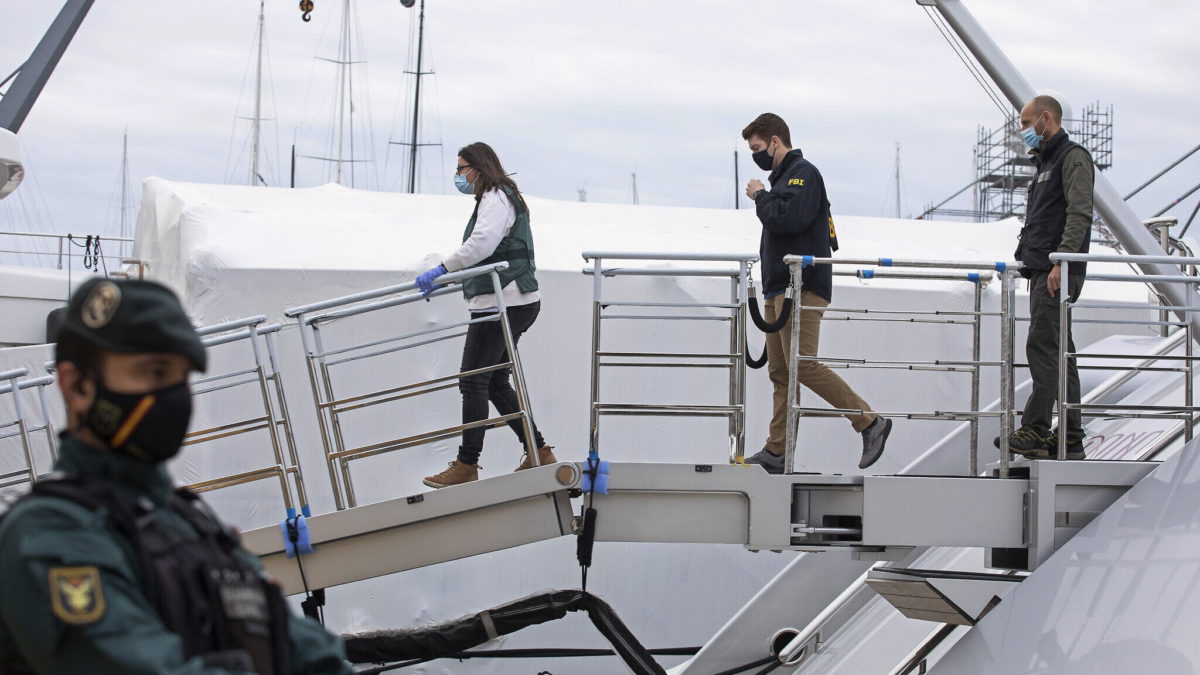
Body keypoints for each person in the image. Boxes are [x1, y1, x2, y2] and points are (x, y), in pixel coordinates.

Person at [0, 278, 350, 674]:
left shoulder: (190, 523)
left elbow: (298, 645)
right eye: (152, 372)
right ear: (77, 386)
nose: (172, 395)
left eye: (179, 378)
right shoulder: (50, 535)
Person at [739, 113, 892, 474]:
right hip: (779, 288)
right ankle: (777, 450)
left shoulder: (803, 174)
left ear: (776, 141)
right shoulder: (784, 181)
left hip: (802, 287)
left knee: (802, 365)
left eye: (758, 148)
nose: (756, 156)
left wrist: (760, 196)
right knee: (781, 372)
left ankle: (869, 421)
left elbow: (786, 219)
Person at [415, 142, 556, 488]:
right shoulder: (501, 196)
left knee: (473, 379)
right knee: (492, 381)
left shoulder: (495, 196)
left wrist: (443, 269)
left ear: (479, 167)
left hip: (503, 302)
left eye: (462, 169)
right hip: (514, 300)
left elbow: (482, 243)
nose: (458, 176)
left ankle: (466, 465)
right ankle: (538, 451)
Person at [998, 95, 1094, 460]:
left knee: (1042, 346)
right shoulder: (1047, 163)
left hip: (1056, 271)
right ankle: (1070, 435)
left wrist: (1061, 262)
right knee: (1060, 350)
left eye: (1026, 123)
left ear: (1046, 118)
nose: (1023, 131)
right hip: (1045, 268)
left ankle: (1036, 429)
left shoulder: (1072, 158)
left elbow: (1079, 213)